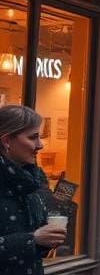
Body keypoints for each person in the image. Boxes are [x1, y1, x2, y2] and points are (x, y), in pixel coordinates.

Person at [0, 104, 67, 275]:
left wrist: (48, 238)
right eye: (33, 137)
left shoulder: (32, 181)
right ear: (7, 141)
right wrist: (33, 239)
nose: (40, 145)